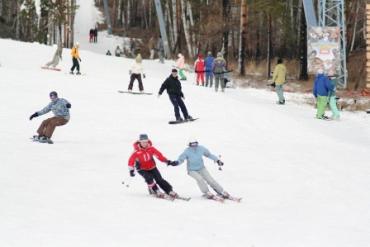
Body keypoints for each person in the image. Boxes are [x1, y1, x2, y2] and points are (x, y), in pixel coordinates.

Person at [128, 134, 178, 198]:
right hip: (141, 168)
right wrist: (131, 170)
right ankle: (156, 190)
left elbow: (159, 156)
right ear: (140, 142)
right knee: (149, 178)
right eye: (143, 142)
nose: (144, 143)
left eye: (146, 141)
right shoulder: (136, 151)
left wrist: (167, 161)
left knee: (159, 179)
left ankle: (169, 191)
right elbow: (131, 161)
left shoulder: (151, 148)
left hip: (152, 167)